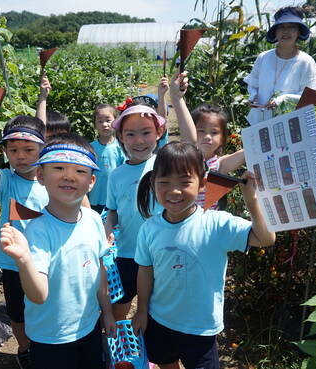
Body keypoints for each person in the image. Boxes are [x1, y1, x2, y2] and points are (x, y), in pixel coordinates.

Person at [132, 142, 276, 369]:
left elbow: (265, 238)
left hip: (199, 328)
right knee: (165, 362)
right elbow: (145, 271)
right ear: (153, 184)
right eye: (164, 182)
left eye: (184, 182)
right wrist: (141, 311)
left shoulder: (216, 224)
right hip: (159, 319)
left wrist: (252, 202)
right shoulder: (150, 229)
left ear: (203, 183)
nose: (174, 190)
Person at [0, 133, 117, 369]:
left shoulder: (93, 220)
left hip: (90, 325)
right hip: (51, 336)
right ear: (40, 175)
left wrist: (108, 313)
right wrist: (23, 260)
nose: (69, 176)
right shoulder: (38, 231)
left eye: (80, 171)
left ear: (91, 181)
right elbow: (38, 295)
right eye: (59, 167)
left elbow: (100, 271)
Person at [0, 115, 48, 369]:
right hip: (12, 264)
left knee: (44, 304)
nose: (21, 156)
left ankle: (45, 343)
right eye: (13, 150)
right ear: (5, 152)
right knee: (18, 313)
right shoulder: (7, 181)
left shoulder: (51, 180)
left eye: (29, 150)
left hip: (44, 261)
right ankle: (25, 348)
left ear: (43, 148)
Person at [104, 104, 165, 320]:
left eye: (146, 132)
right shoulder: (116, 175)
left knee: (156, 307)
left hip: (160, 252)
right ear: (120, 136)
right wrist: (107, 231)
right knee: (120, 303)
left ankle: (151, 348)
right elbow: (112, 211)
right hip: (127, 252)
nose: (139, 141)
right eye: (130, 134)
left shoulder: (164, 166)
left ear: (159, 133)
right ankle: (115, 341)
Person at [170, 72, 246, 210]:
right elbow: (190, 139)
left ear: (223, 138)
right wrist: (177, 98)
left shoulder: (219, 165)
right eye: (201, 130)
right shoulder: (187, 158)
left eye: (215, 132)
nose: (207, 136)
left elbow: (248, 152)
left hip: (209, 225)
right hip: (186, 220)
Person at [244, 6, 316, 124]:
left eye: (291, 27)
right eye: (281, 27)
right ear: (275, 32)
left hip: (289, 124)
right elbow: (253, 85)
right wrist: (253, 97)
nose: (286, 31)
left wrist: (283, 99)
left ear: (298, 32)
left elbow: (311, 97)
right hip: (259, 122)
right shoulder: (263, 57)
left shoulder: (306, 62)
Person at [89, 104, 126, 214]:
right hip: (94, 198)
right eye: (100, 121)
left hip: (114, 199)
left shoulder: (121, 147)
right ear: (94, 124)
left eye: (108, 120)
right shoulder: (90, 148)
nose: (104, 124)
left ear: (116, 122)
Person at [36, 73, 71, 140]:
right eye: (51, 137)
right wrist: (43, 97)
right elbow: (40, 126)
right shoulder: (42, 148)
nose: (56, 140)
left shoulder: (69, 148)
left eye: (62, 136)